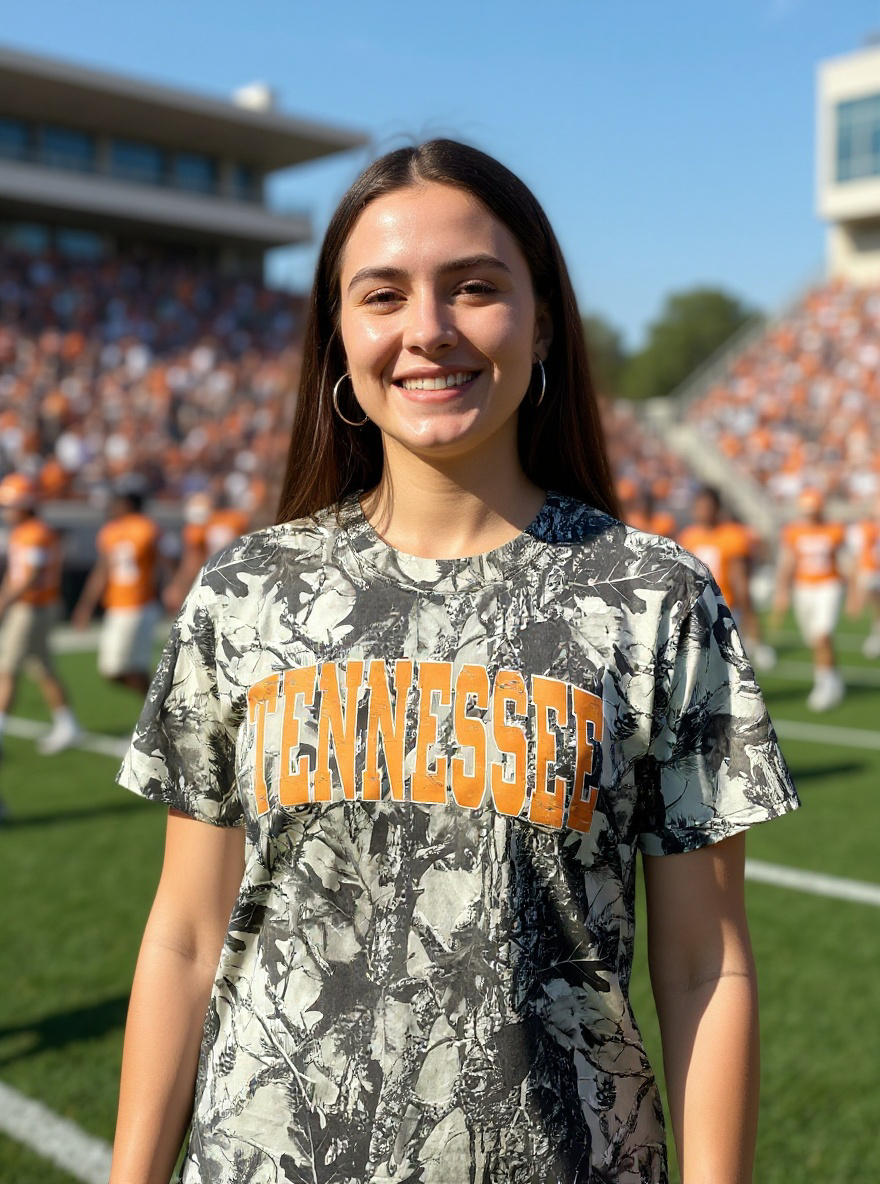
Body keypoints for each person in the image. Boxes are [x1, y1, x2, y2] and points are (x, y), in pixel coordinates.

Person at [110, 140, 799, 1184]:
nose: (427, 330)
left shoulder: (655, 597)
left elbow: (706, 965)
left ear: (543, 319)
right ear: (337, 336)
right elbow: (186, 937)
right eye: (381, 296)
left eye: (474, 288)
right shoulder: (241, 592)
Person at [0, 473, 81, 763]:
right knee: (42, 668)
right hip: (28, 606)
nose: (6, 511)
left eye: (9, 506)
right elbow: (15, 573)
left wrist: (5, 601)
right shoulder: (24, 532)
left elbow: (32, 577)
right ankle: (67, 723)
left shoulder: (36, 532)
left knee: (7, 668)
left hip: (33, 607)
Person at [72, 488, 161, 695]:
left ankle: (159, 711)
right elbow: (102, 570)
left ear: (128, 505)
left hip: (139, 604)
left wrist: (175, 587)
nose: (112, 508)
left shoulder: (145, 528)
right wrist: (85, 606)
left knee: (117, 669)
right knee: (122, 669)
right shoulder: (111, 531)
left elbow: (165, 560)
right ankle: (160, 712)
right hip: (117, 604)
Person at [678, 486, 776, 670]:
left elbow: (740, 582)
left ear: (717, 508)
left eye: (706, 507)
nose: (702, 511)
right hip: (698, 611)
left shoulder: (731, 536)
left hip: (724, 609)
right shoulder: (689, 537)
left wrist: (752, 627)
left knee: (724, 672)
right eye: (699, 506)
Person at [773, 488, 847, 711]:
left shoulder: (834, 529)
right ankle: (833, 677)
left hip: (828, 585)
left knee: (822, 634)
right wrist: (782, 591)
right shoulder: (794, 532)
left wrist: (854, 591)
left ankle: (823, 684)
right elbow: (788, 562)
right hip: (803, 588)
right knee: (813, 638)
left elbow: (844, 560)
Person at [163, 489, 251, 614]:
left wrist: (178, 587)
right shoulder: (238, 519)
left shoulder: (200, 528)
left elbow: (192, 563)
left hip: (212, 586)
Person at [847, 499, 880, 658]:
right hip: (870, 570)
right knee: (873, 603)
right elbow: (857, 554)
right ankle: (876, 634)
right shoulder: (864, 528)